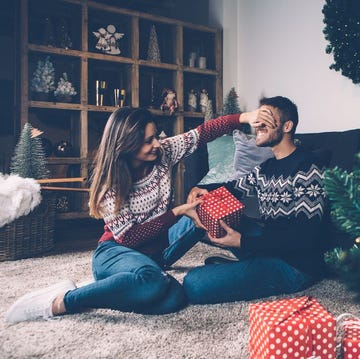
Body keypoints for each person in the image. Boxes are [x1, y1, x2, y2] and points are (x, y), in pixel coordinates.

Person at [6, 106, 275, 323]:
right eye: (148, 140)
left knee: (173, 299)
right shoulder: (109, 184)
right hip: (116, 252)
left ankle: (260, 264)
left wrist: (244, 117)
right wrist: (179, 211)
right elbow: (130, 238)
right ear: (126, 143)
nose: (157, 144)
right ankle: (63, 300)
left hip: (159, 253)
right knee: (155, 282)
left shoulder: (164, 152)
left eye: (156, 136)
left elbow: (203, 132)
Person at [183, 96, 329, 304]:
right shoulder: (267, 167)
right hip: (269, 242)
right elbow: (232, 188)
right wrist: (201, 188)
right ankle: (157, 262)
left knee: (193, 284)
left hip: (296, 265)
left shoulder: (307, 168)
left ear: (287, 126)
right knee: (202, 205)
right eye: (258, 118)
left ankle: (245, 266)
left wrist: (243, 242)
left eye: (266, 118)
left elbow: (306, 237)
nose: (258, 124)